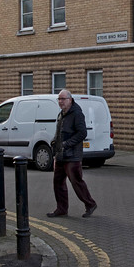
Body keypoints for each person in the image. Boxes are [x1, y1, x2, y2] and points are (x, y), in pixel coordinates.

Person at [47, 89, 98, 218]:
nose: (60, 102)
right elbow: (59, 131)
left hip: (72, 156)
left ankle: (90, 204)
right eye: (58, 99)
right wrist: (54, 141)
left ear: (70, 100)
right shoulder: (61, 114)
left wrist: (67, 144)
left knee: (76, 181)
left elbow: (82, 133)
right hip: (60, 154)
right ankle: (61, 209)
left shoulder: (77, 114)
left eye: (62, 99)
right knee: (58, 183)